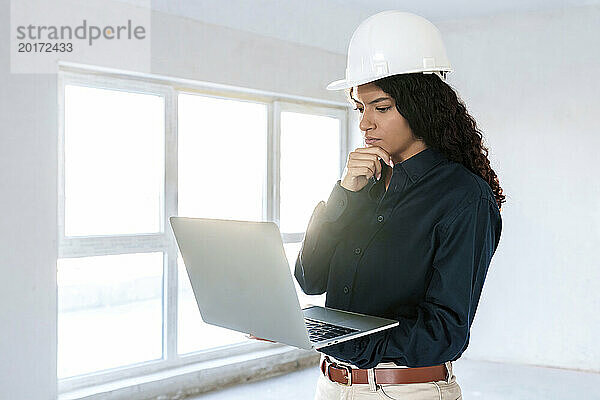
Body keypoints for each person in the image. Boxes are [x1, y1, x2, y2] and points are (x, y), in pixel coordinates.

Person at [293, 10, 504, 400]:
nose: (365, 123)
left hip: (404, 391)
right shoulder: (363, 184)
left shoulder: (463, 196)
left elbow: (446, 332)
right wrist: (344, 193)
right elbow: (310, 277)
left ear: (421, 106)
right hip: (330, 386)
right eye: (360, 108)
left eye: (381, 107)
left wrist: (351, 343)